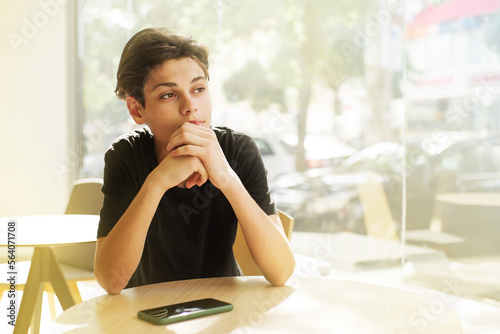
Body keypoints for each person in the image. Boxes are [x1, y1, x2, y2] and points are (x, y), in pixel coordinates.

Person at [94, 27, 295, 295]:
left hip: (225, 306)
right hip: (149, 311)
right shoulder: (125, 156)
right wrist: (157, 182)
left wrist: (225, 176)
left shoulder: (239, 151)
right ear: (136, 109)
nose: (190, 106)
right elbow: (111, 280)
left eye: (198, 89)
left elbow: (281, 272)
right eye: (168, 94)